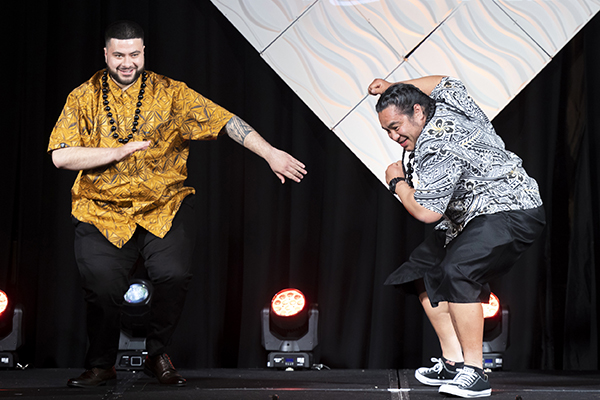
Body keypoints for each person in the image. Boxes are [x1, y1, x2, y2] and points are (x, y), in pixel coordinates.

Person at [48, 20, 307, 388]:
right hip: (101, 210)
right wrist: (117, 152)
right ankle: (102, 363)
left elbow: (224, 120)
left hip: (163, 205)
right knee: (103, 287)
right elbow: (61, 157)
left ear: (143, 53)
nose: (127, 62)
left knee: (173, 274)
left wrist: (270, 153)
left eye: (134, 54)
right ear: (106, 54)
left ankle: (156, 353)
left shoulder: (170, 93)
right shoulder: (82, 97)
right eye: (119, 55)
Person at [368, 76, 545, 398]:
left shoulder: (437, 147)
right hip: (470, 217)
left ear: (418, 112)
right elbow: (443, 81)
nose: (394, 137)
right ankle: (453, 361)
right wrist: (394, 84)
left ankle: (475, 372)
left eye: (396, 127)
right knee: (422, 270)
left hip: (511, 210)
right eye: (387, 132)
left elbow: (426, 212)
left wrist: (396, 183)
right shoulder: (448, 104)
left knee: (459, 271)